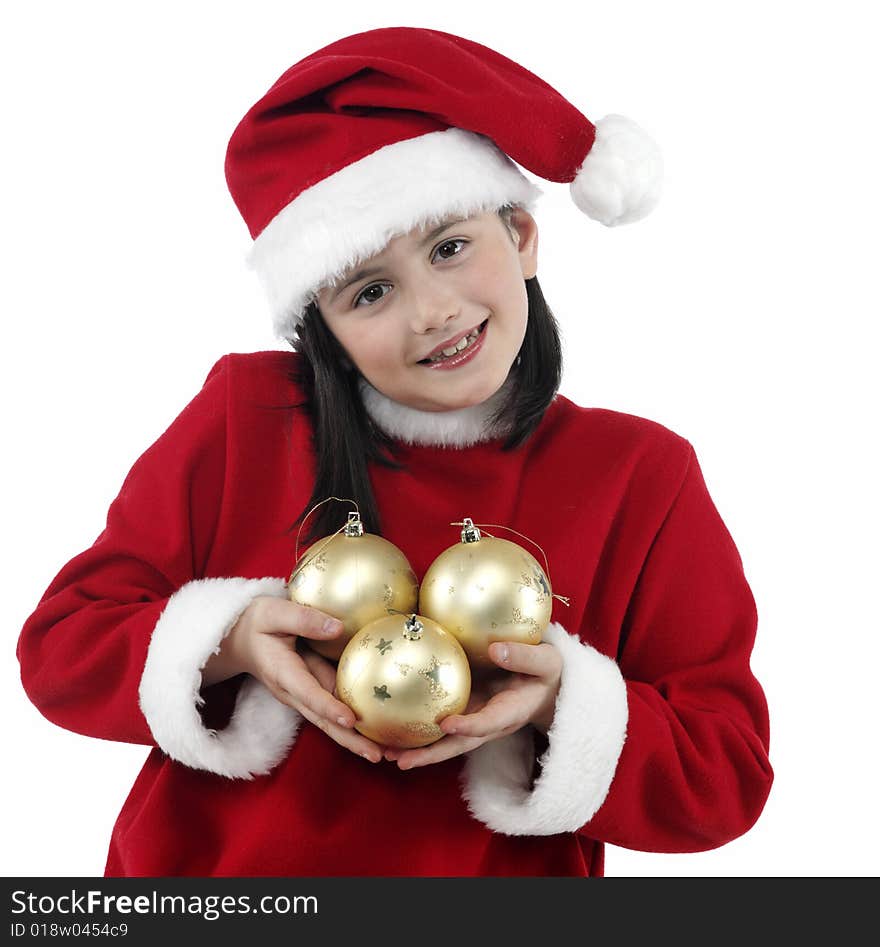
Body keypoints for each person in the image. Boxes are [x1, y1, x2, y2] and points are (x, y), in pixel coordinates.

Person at [17, 26, 772, 877]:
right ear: (323, 328)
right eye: (370, 290)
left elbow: (726, 776)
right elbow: (61, 646)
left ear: (521, 235)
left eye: (450, 247)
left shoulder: (643, 475)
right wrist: (230, 638)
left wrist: (566, 699)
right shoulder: (246, 416)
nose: (432, 312)